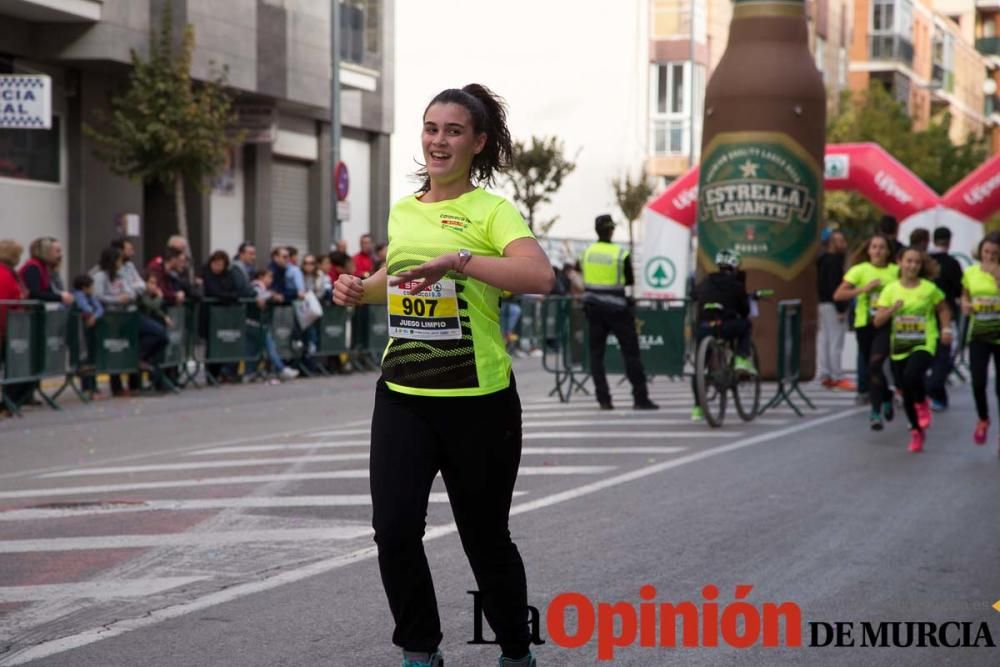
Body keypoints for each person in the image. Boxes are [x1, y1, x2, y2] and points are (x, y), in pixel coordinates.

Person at [332, 83, 552, 667]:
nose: (438, 141)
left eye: (453, 131)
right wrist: (360, 290)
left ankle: (514, 653)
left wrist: (460, 260)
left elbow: (538, 276)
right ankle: (420, 651)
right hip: (404, 394)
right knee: (395, 530)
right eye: (432, 129)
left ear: (478, 143)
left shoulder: (491, 210)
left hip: (478, 401)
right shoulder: (405, 209)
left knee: (485, 540)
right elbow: (399, 273)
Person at [873, 247, 951, 453]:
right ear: (900, 262)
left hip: (924, 341)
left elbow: (943, 308)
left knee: (911, 376)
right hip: (900, 345)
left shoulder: (928, 288)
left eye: (916, 262)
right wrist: (891, 310)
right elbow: (878, 321)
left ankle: (922, 401)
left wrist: (945, 329)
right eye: (908, 261)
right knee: (905, 388)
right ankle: (916, 431)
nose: (912, 266)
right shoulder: (890, 289)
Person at [580, 214, 659, 411]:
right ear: (611, 230)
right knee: (631, 354)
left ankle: (604, 400)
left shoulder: (587, 252)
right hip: (617, 309)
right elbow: (630, 281)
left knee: (596, 357)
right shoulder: (620, 253)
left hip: (593, 309)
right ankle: (640, 399)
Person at [833, 234, 899, 430]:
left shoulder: (895, 271)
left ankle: (875, 412)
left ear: (888, 251)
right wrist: (862, 290)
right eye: (874, 247)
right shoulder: (859, 270)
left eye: (882, 247)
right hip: (864, 324)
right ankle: (886, 395)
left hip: (887, 325)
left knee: (875, 363)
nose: (878, 251)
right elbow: (838, 294)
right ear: (868, 251)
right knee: (873, 369)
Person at [690, 249, 756, 420]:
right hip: (727, 326)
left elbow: (693, 295)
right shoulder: (736, 284)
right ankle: (741, 358)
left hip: (704, 326)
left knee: (699, 366)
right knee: (746, 325)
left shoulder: (706, 281)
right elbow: (745, 310)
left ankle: (697, 407)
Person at [960, 232, 1000, 452]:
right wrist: (965, 304)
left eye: (995, 253)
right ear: (980, 252)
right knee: (978, 382)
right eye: (986, 252)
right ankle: (983, 418)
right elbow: (964, 295)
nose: (990, 257)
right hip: (979, 335)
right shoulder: (970, 273)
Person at [925, 226, 963, 411]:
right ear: (949, 241)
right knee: (946, 355)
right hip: (947, 315)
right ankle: (932, 387)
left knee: (934, 354)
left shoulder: (926, 262)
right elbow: (959, 289)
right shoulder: (952, 263)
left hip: (925, 315)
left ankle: (937, 393)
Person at [816, 229, 853, 390]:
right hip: (833, 304)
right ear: (832, 243)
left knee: (825, 339)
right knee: (836, 341)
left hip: (823, 303)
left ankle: (826, 374)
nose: (843, 244)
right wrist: (840, 308)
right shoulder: (834, 262)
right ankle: (837, 376)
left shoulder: (822, 260)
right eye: (840, 241)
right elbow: (834, 286)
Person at [249, 268, 299, 381]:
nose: (271, 280)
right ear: (261, 277)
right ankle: (281, 369)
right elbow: (259, 297)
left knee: (253, 350)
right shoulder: (256, 286)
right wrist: (272, 295)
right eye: (269, 277)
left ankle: (250, 373)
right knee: (269, 346)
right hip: (255, 323)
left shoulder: (263, 288)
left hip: (257, 323)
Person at [0, 240, 27, 416]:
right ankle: (7, 403)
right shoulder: (5, 274)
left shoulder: (12, 273)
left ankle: (8, 403)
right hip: (6, 328)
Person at [72, 274, 105, 395]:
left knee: (91, 356)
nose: (93, 289)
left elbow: (100, 309)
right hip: (79, 330)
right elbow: (84, 307)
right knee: (84, 356)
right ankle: (86, 385)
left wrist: (94, 317)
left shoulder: (90, 296)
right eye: (91, 287)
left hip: (89, 330)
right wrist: (92, 313)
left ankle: (92, 384)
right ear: (84, 288)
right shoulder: (78, 295)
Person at [19, 237, 74, 306]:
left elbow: (48, 291)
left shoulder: (43, 267)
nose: (60, 255)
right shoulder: (33, 267)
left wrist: (61, 296)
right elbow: (34, 293)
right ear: (46, 251)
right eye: (57, 251)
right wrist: (60, 297)